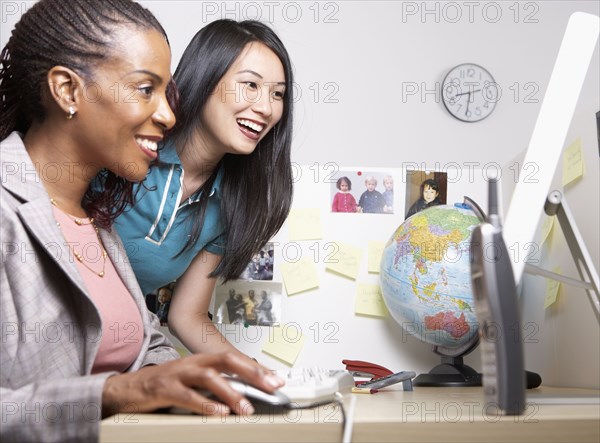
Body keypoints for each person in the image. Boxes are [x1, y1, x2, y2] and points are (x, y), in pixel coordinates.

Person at [0, 2, 283, 441]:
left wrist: (239, 386)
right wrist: (117, 392)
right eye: (145, 89)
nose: (169, 114)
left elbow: (148, 343)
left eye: (165, 91)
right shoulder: (24, 206)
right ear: (67, 90)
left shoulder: (98, 221)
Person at [113, 19, 294, 358]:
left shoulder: (229, 205)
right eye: (250, 85)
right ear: (206, 77)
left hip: (116, 349)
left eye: (278, 94)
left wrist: (254, 376)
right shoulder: (126, 147)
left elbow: (187, 316)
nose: (267, 108)